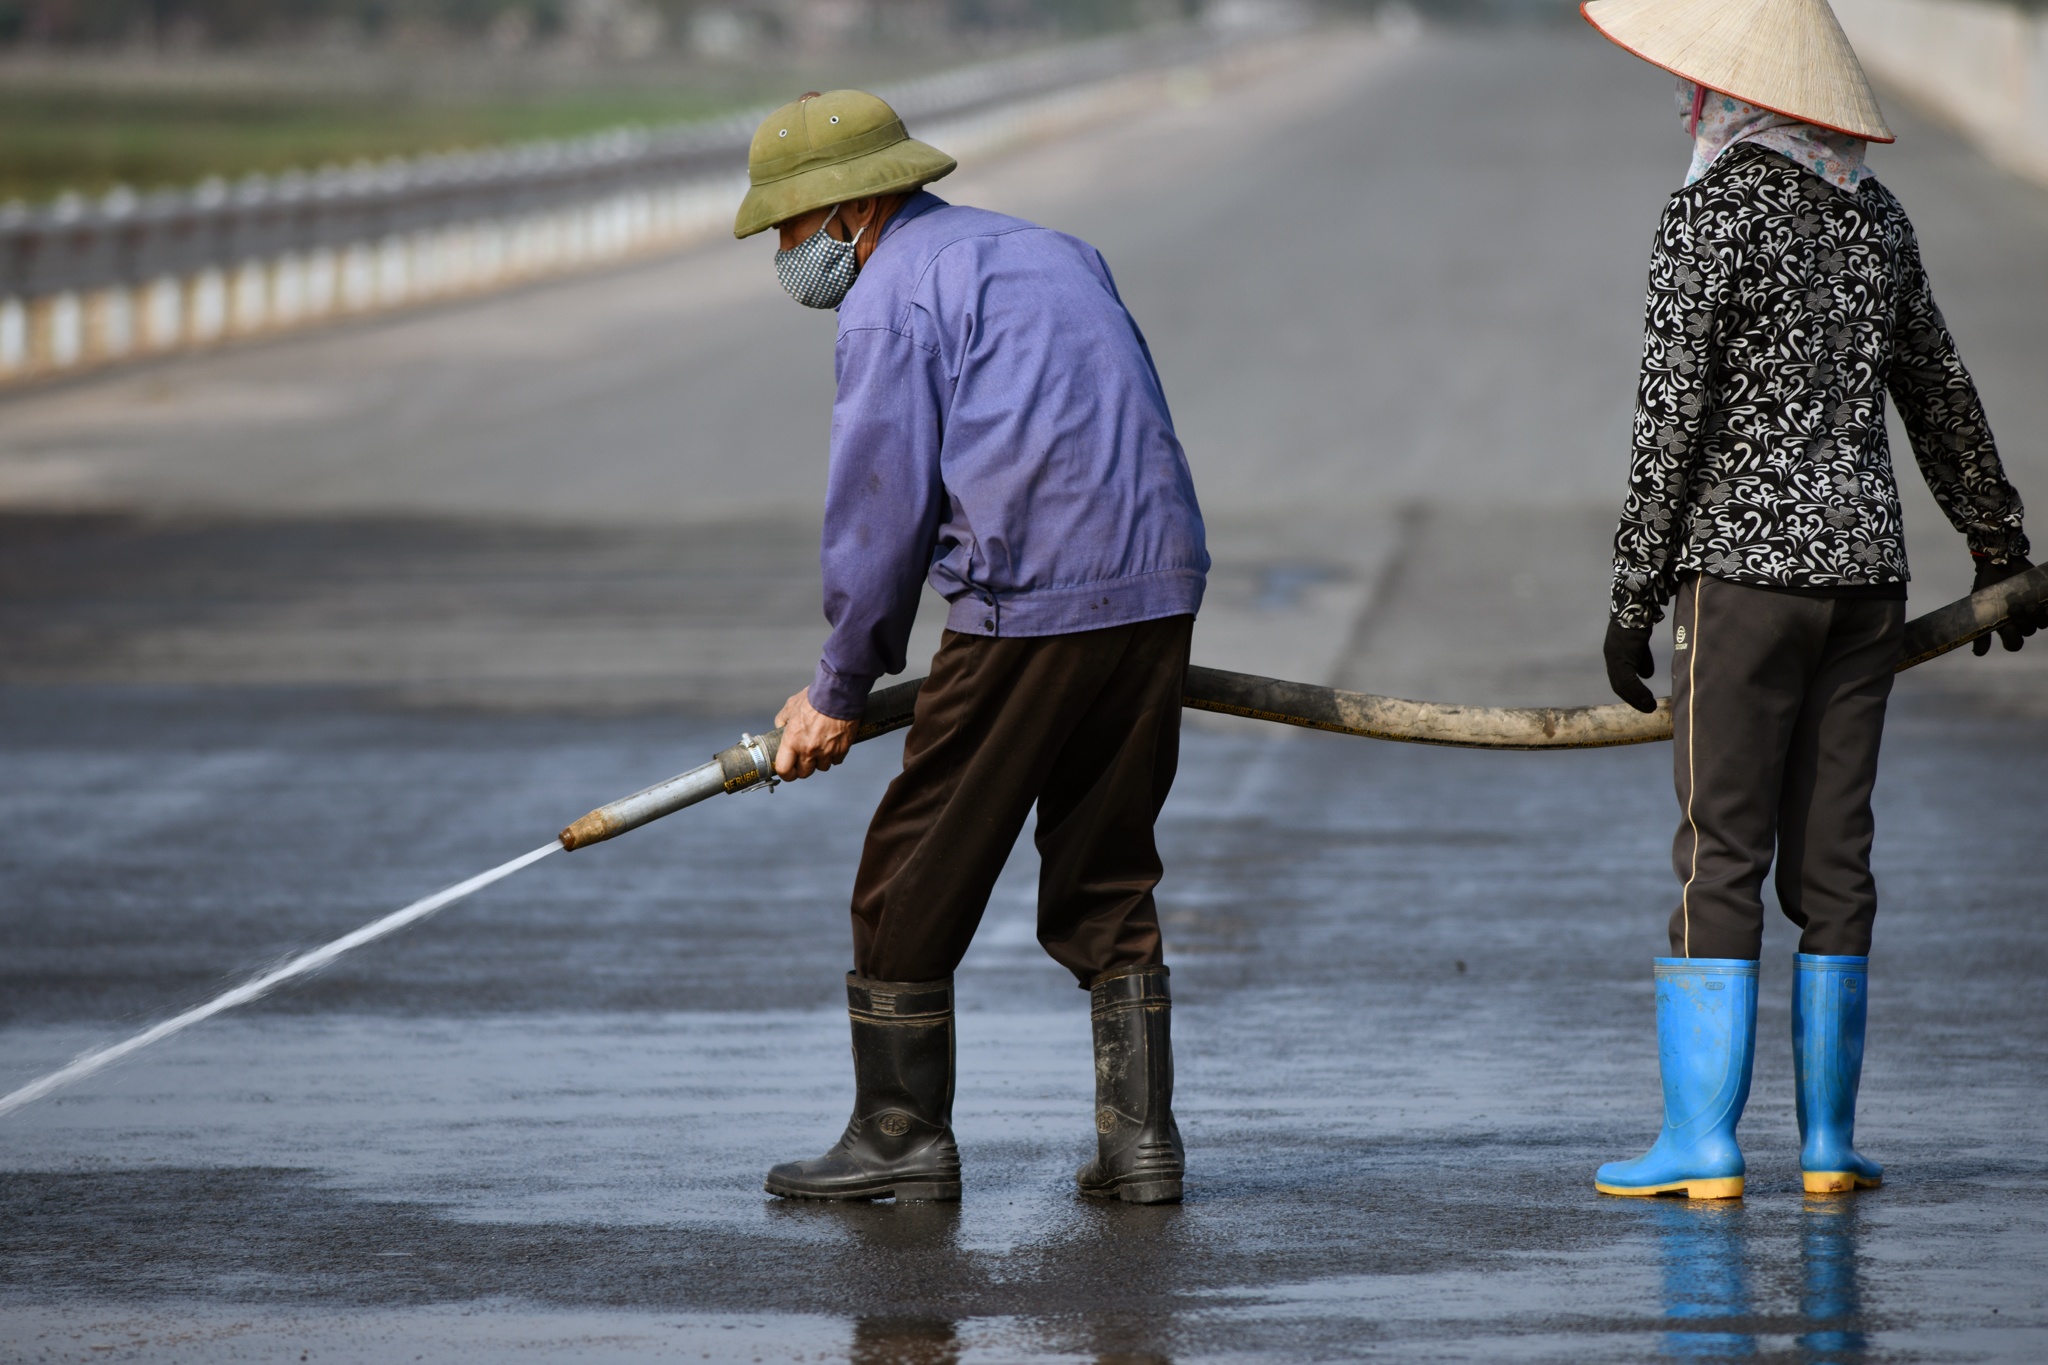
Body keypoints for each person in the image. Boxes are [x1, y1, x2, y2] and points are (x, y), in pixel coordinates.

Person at [1581, 0, 2043, 1199]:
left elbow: (1667, 428)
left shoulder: (1705, 217)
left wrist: (1633, 595)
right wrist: (1998, 549)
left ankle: (1700, 1142)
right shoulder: (1874, 221)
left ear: (1725, 98)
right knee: (1834, 859)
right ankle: (1828, 1149)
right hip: (1865, 588)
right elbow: (1939, 393)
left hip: (1740, 585)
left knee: (1717, 850)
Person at [730, 90, 1209, 1205]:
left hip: (1030, 596)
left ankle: (898, 1136)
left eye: (789, 232)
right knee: (1104, 863)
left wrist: (838, 688)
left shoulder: (890, 298)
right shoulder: (1052, 250)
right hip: (1156, 584)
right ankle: (1141, 1149)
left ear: (848, 209)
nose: (787, 256)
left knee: (909, 870)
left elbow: (881, 505)